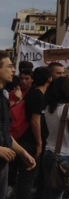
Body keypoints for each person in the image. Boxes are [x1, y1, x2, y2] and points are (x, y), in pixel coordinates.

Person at [41, 76, 69, 199]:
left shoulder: (48, 107)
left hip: (48, 152)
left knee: (49, 189)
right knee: (58, 191)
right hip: (64, 155)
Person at [0, 51, 36, 196]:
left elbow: (5, 132)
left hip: (3, 165)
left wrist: (22, 153)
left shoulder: (3, 98)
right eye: (9, 66)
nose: (14, 70)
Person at [15, 66, 51, 199]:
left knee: (25, 178)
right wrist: (39, 143)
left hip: (25, 139)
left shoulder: (33, 94)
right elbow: (35, 122)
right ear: (49, 79)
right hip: (30, 142)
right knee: (28, 177)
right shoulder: (38, 96)